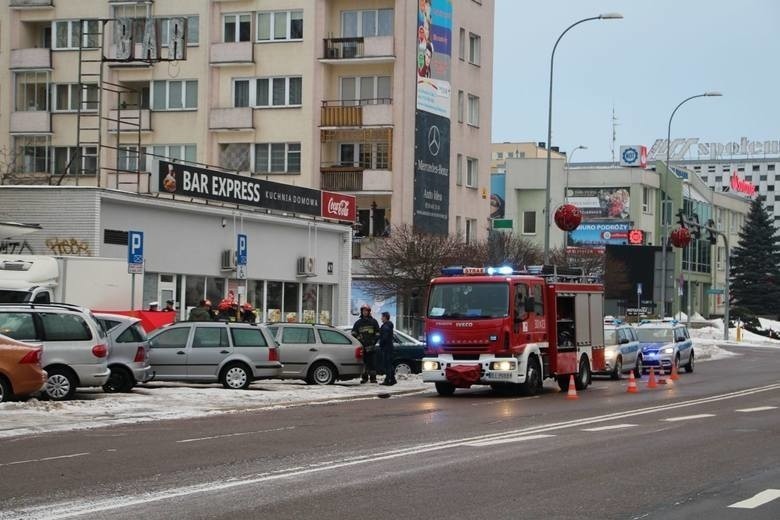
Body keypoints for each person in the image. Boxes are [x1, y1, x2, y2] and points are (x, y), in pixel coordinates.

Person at [351, 304, 379, 383]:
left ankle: (373, 378)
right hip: (362, 346)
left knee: (372, 363)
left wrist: (373, 342)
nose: (365, 312)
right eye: (363, 311)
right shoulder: (358, 323)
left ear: (369, 311)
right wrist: (359, 339)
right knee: (364, 363)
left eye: (366, 311)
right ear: (361, 312)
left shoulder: (374, 322)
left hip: (371, 346)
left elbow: (378, 333)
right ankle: (364, 378)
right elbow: (353, 333)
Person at [378, 311, 396, 386]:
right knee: (389, 364)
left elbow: (384, 337)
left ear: (385, 317)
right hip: (389, 347)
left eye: (382, 317)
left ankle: (388, 380)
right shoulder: (389, 325)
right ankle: (392, 379)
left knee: (387, 364)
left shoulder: (385, 326)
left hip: (386, 348)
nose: (381, 318)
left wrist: (381, 343)